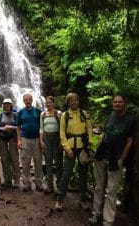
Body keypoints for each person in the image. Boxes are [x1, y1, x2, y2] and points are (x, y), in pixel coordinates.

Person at [89, 93, 135, 226]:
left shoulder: (130, 120)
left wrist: (122, 159)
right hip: (102, 155)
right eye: (115, 102)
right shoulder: (110, 116)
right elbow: (104, 134)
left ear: (124, 103)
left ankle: (107, 221)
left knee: (111, 190)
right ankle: (96, 214)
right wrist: (97, 150)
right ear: (112, 104)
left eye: (120, 102)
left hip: (116, 157)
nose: (117, 104)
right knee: (98, 187)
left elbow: (129, 141)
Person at [55, 92, 93, 211]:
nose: (74, 102)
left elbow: (89, 128)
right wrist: (67, 148)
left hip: (83, 147)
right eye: (71, 100)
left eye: (76, 100)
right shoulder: (65, 115)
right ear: (68, 102)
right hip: (70, 148)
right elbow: (62, 133)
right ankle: (59, 200)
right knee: (66, 173)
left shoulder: (84, 113)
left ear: (78, 101)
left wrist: (90, 143)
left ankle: (82, 199)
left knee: (83, 174)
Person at [17, 93, 43, 192]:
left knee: (38, 161)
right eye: (26, 100)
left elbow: (42, 126)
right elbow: (18, 127)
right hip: (25, 139)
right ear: (24, 101)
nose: (27, 101)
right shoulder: (20, 112)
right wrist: (19, 140)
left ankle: (38, 182)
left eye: (29, 99)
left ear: (32, 100)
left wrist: (42, 140)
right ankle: (26, 183)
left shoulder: (38, 111)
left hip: (36, 139)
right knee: (25, 161)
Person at [40, 96, 63, 194]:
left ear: (53, 103)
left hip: (57, 137)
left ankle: (59, 185)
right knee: (48, 162)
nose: (48, 104)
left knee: (58, 162)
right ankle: (50, 186)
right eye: (46, 102)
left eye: (49, 102)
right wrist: (41, 141)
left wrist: (62, 141)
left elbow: (62, 128)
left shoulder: (59, 113)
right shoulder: (43, 114)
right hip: (47, 138)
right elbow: (41, 128)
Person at [0, 98, 20, 189]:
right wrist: (3, 129)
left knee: (14, 159)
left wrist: (10, 127)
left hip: (13, 138)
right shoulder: (0, 115)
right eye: (5, 104)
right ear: (3, 106)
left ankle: (17, 181)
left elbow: (18, 127)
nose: (7, 106)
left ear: (11, 105)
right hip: (2, 139)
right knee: (4, 160)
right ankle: (7, 180)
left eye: (8, 104)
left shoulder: (15, 115)